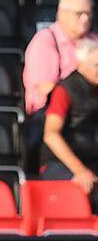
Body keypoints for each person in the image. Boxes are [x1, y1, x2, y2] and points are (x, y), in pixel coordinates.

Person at [22, 0, 98, 172]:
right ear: (62, 13)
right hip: (57, 121)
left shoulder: (94, 41)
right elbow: (45, 88)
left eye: (88, 13)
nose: (85, 18)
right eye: (79, 13)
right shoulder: (46, 41)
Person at [41, 39, 98, 212]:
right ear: (81, 64)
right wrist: (79, 170)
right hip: (60, 163)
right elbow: (51, 135)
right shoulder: (65, 90)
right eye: (96, 65)